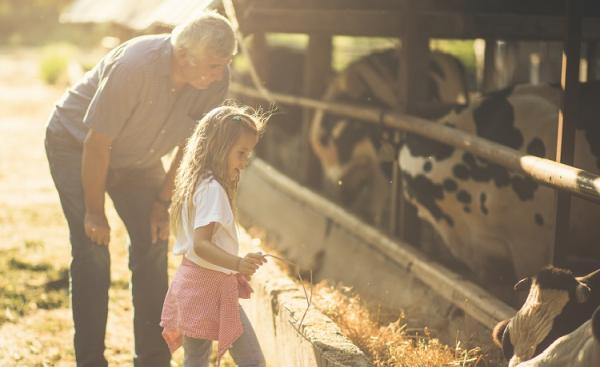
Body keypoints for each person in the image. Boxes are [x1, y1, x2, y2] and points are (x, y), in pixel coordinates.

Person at [44, 11, 236, 367]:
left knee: (152, 240)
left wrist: (164, 202)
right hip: (77, 144)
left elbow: (193, 147)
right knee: (92, 250)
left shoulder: (216, 78)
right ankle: (90, 361)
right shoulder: (135, 66)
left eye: (223, 65)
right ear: (184, 56)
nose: (217, 75)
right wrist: (94, 212)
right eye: (211, 66)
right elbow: (97, 144)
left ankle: (151, 360)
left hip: (139, 157)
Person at [160, 105, 268, 367]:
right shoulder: (212, 190)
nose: (244, 162)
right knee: (253, 362)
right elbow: (201, 245)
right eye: (241, 153)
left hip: (194, 283)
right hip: (209, 286)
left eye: (248, 155)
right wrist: (238, 264)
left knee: (196, 360)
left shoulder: (198, 181)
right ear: (218, 147)